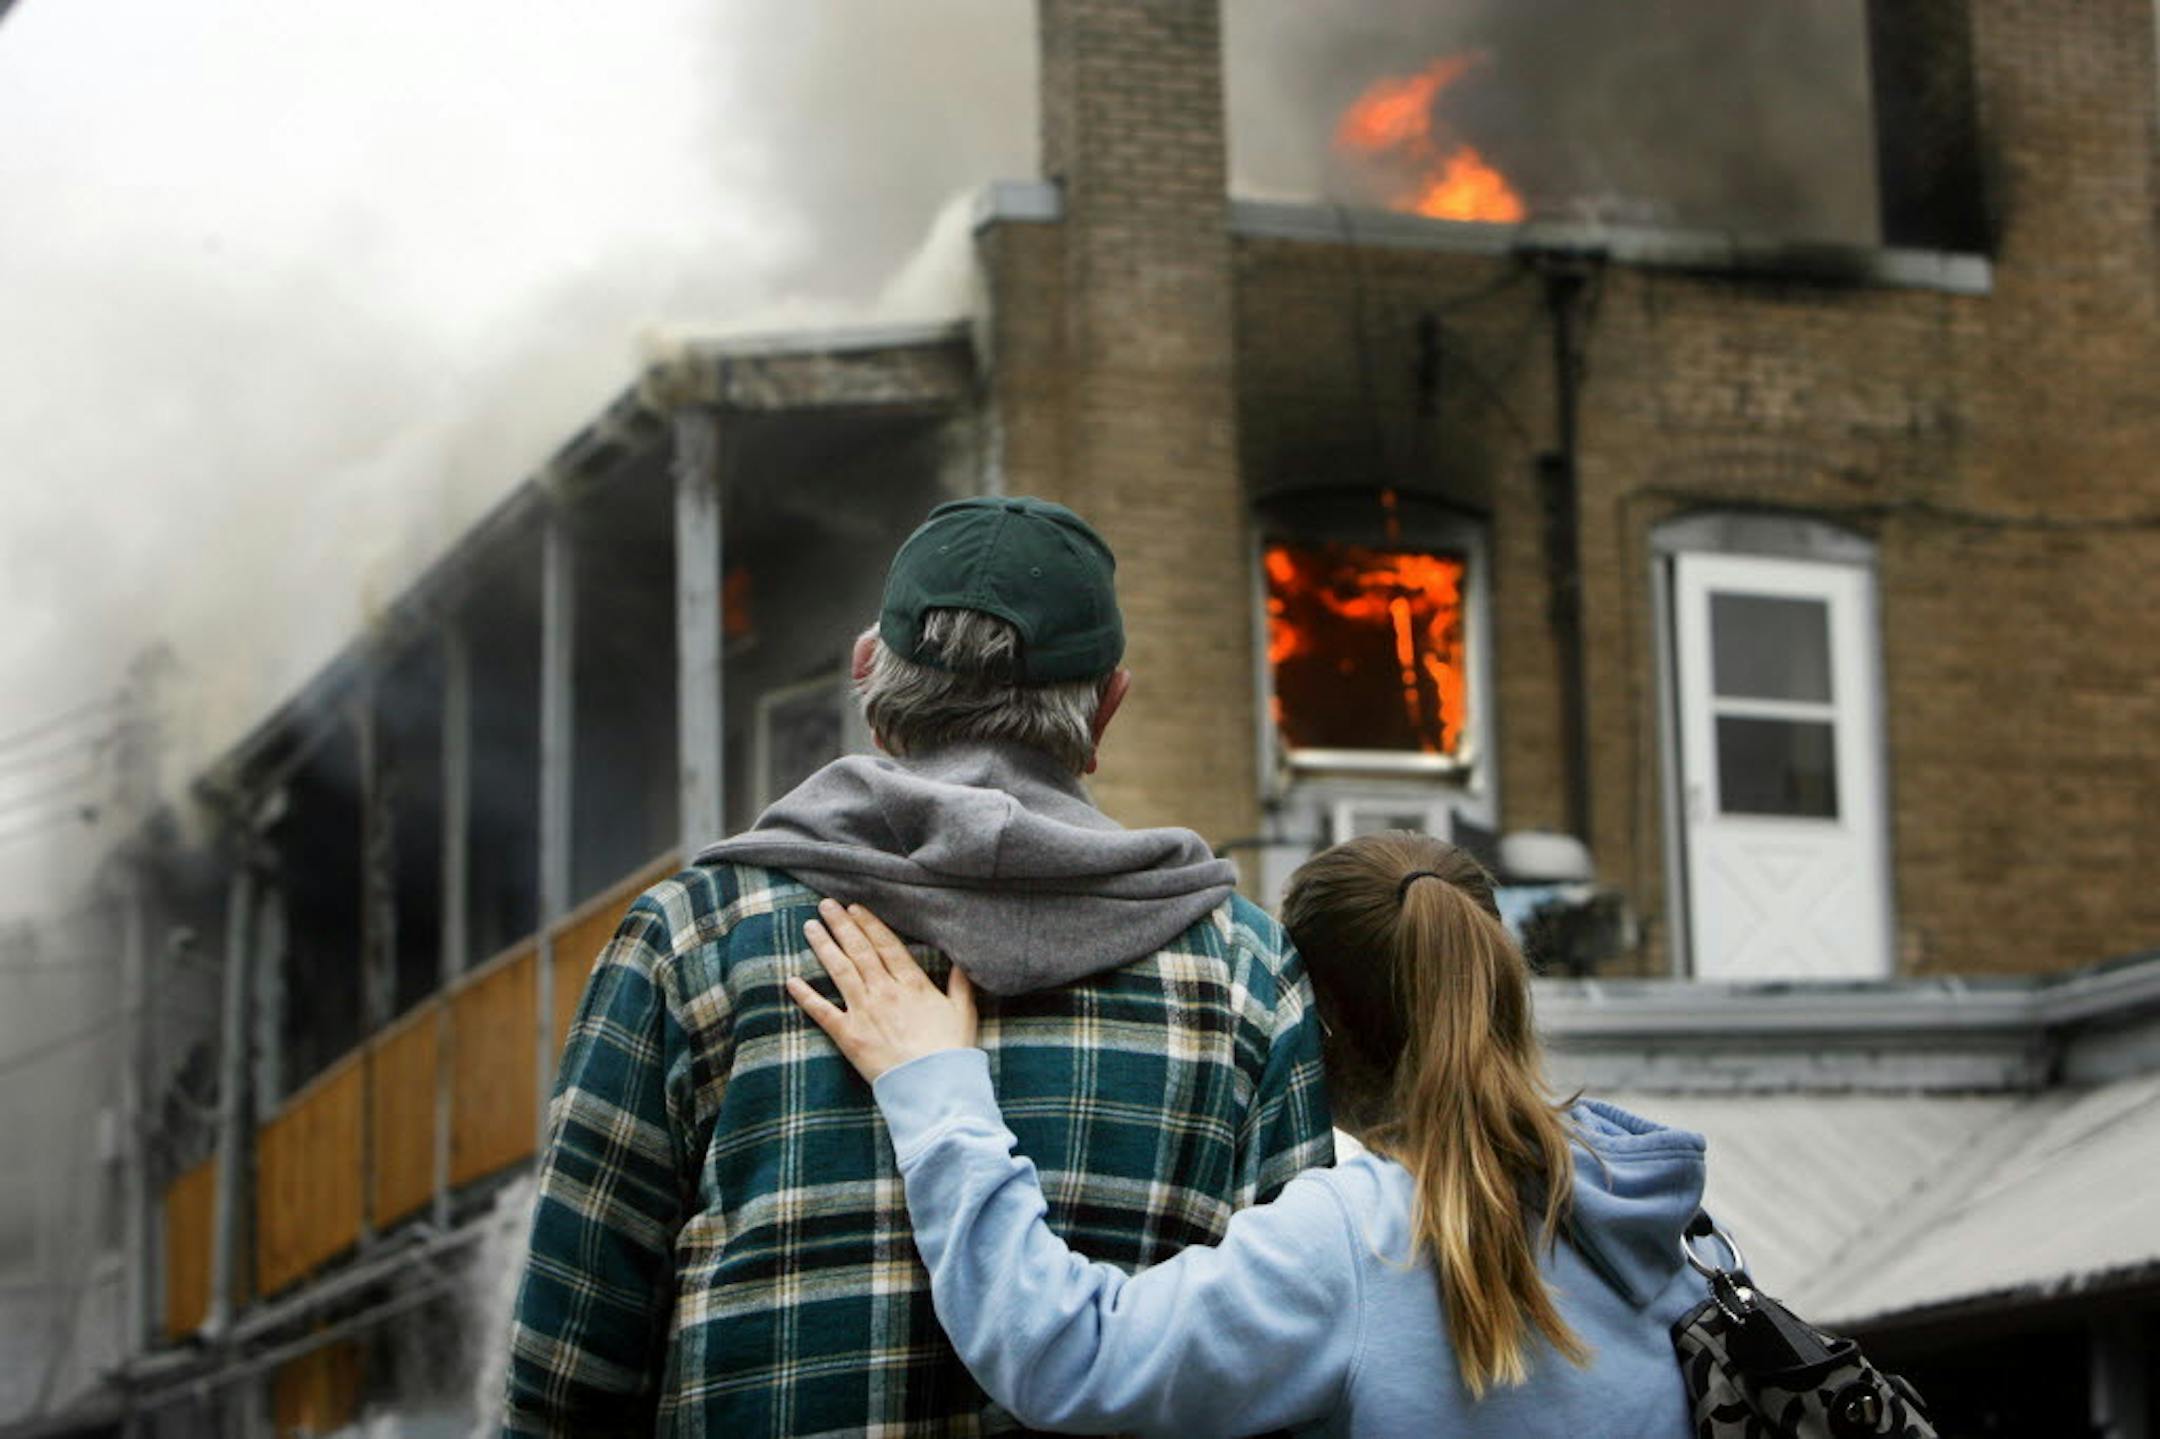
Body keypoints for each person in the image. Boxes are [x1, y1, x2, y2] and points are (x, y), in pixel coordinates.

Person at [502, 496, 1333, 1436]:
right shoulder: (1248, 975)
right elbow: (1288, 1371)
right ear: (1106, 708)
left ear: (870, 680)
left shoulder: (691, 938)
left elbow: (568, 1370)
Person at [791, 832, 1712, 1438]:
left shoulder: (1358, 1244)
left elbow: (1064, 1352)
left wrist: (936, 1090)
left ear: (1317, 1024)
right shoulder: (1646, 1209)